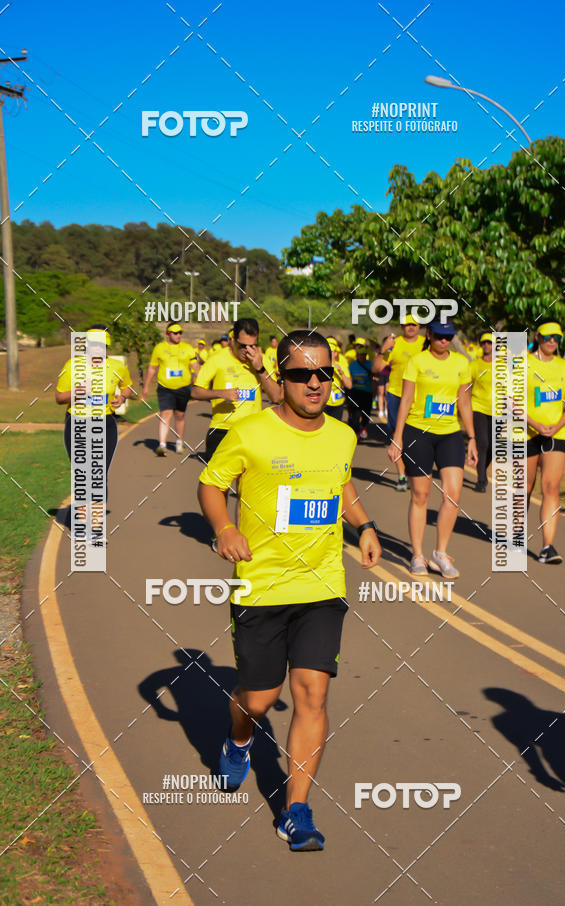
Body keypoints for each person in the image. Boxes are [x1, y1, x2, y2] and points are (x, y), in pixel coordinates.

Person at [198, 329, 381, 852]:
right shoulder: (250, 431)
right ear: (282, 377)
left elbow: (340, 484)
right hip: (261, 585)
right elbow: (211, 484)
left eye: (324, 372)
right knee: (259, 699)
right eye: (301, 374)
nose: (315, 383)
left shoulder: (341, 434)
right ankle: (238, 740)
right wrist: (224, 529)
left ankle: (296, 810)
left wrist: (364, 526)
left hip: (322, 582)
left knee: (313, 692)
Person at [388, 319, 477, 579]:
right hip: (419, 433)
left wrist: (471, 437)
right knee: (420, 495)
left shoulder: (462, 364)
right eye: (439, 336)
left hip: (449, 434)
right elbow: (405, 400)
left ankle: (440, 553)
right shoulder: (417, 361)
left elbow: (464, 403)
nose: (443, 341)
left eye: (448, 337)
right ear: (430, 334)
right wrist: (397, 437)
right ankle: (417, 555)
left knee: (453, 496)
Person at [55, 325, 133, 503]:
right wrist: (78, 392)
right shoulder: (72, 366)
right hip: (77, 422)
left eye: (101, 345)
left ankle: (95, 522)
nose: (97, 349)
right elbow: (59, 397)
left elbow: (127, 387)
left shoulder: (117, 366)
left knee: (99, 472)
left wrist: (121, 399)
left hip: (105, 422)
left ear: (107, 346)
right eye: (93, 344)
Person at [525, 320, 565, 564]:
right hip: (525, 433)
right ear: (538, 336)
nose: (552, 341)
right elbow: (510, 400)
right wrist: (535, 424)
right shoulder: (522, 362)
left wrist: (556, 426)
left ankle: (547, 546)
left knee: (550, 487)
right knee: (523, 489)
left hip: (555, 434)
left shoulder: (564, 367)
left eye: (556, 337)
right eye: (547, 337)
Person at [191, 317, 281, 462]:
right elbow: (195, 392)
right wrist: (220, 393)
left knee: (249, 483)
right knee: (215, 483)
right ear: (232, 340)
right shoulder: (217, 359)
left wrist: (260, 369)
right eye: (243, 345)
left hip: (252, 431)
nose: (247, 350)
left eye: (252, 346)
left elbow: (277, 397)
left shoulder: (261, 360)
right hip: (222, 429)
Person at [373, 315, 425, 491]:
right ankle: (402, 476)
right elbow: (377, 369)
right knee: (398, 436)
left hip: (421, 397)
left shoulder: (426, 344)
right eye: (407, 324)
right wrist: (383, 349)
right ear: (402, 326)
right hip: (396, 395)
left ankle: (414, 473)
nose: (410, 327)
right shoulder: (394, 344)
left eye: (414, 324)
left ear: (419, 326)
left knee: (417, 438)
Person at [142, 323, 198, 456]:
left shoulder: (188, 348)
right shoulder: (160, 348)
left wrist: (197, 379)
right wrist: (146, 387)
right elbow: (152, 368)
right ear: (168, 334)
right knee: (165, 414)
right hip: (165, 387)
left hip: (183, 387)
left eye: (180, 333)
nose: (178, 335)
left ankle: (179, 441)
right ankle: (162, 445)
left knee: (180, 415)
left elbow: (196, 366)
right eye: (175, 333)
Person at [470, 332, 493, 492]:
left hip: (498, 410)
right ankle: (481, 480)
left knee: (492, 446)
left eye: (490, 343)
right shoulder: (474, 365)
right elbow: (465, 384)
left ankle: (482, 469)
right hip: (478, 407)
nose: (487, 345)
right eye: (484, 343)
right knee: (483, 443)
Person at [347, 339, 374, 440]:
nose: (362, 357)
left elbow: (375, 378)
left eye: (364, 355)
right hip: (355, 392)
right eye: (360, 355)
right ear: (357, 355)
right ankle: (357, 431)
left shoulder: (370, 364)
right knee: (355, 414)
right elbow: (349, 376)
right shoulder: (352, 365)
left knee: (366, 413)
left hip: (367, 392)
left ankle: (363, 427)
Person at [324, 337, 352, 420]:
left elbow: (349, 385)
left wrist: (341, 373)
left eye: (331, 351)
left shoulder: (342, 363)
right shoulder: (319, 363)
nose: (329, 353)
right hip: (323, 401)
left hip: (338, 401)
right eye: (327, 351)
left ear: (336, 353)